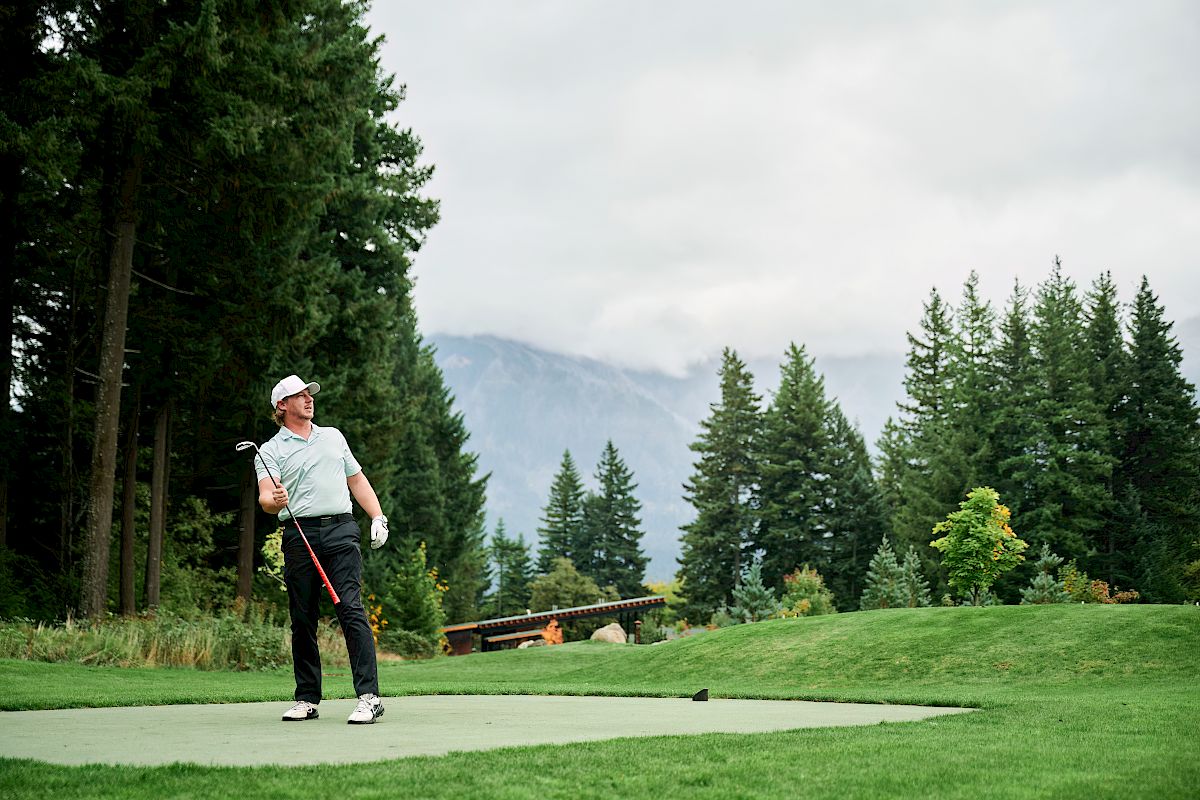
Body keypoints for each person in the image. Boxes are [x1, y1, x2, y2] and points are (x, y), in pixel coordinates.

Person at [255, 373, 390, 724]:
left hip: (341, 530)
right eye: (300, 396)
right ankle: (307, 699)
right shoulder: (269, 451)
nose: (309, 400)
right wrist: (275, 500)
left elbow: (356, 479)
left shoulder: (333, 437)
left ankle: (369, 696)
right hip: (299, 535)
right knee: (302, 619)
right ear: (282, 406)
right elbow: (266, 496)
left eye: (309, 394)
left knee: (351, 609)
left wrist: (377, 516)